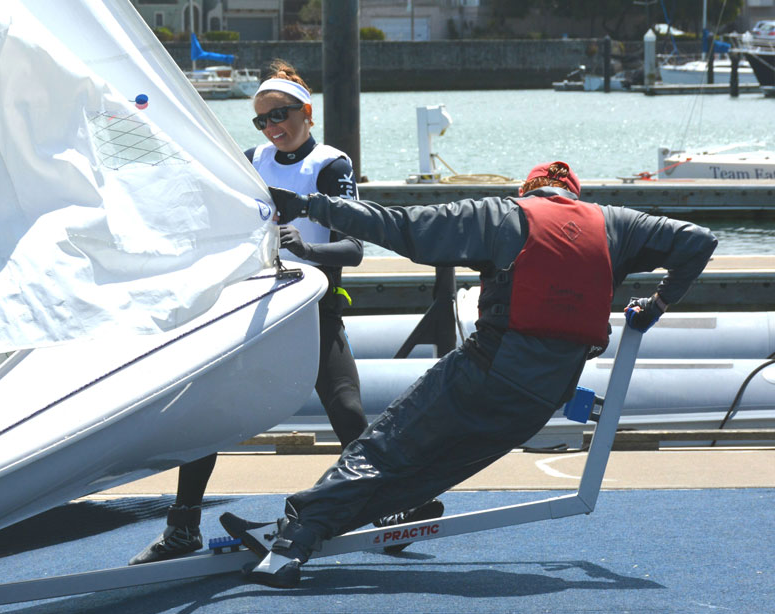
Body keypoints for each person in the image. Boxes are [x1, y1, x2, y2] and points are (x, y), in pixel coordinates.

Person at [220, 160, 718, 587]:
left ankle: (290, 543)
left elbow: (400, 225)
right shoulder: (617, 225)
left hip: (488, 370)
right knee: (432, 472)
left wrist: (311, 207)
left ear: (528, 192)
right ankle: (307, 522)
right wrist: (656, 305)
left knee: (386, 446)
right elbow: (700, 240)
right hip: (545, 394)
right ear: (574, 196)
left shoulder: (501, 215)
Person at [130, 61, 438, 565]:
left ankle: (392, 509)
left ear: (307, 113)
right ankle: (182, 530)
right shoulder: (252, 160)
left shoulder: (333, 166)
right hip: (259, 313)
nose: (273, 126)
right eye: (263, 119)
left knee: (347, 412)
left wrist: (309, 249)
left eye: (282, 114)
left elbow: (355, 249)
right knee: (205, 415)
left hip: (313, 309)